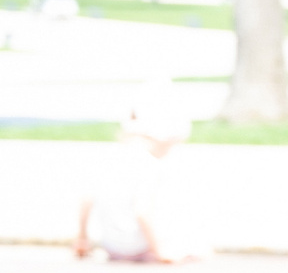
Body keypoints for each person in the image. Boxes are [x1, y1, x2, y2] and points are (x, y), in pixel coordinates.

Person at [73, 102, 203, 264]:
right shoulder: (149, 165)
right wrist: (160, 252)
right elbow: (142, 211)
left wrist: (82, 239)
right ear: (161, 139)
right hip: (138, 248)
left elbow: (86, 199)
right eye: (171, 145)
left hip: (112, 247)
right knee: (196, 248)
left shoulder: (108, 159)